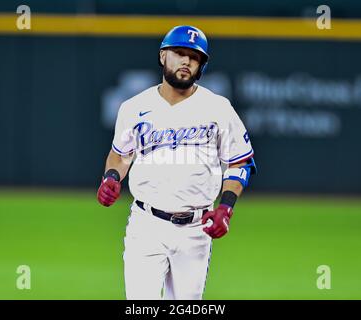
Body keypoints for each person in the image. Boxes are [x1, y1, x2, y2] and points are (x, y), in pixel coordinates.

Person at [97, 25, 257, 300]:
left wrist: (226, 208)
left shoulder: (218, 108)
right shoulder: (134, 107)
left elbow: (240, 162)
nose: (186, 61)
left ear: (201, 65)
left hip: (196, 229)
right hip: (145, 225)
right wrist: (112, 176)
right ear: (163, 56)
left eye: (194, 57)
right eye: (179, 53)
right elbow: (121, 154)